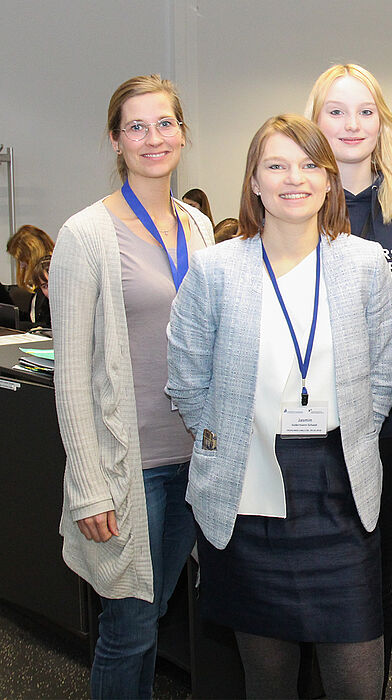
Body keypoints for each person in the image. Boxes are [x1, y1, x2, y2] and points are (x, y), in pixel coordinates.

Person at [166, 114, 392, 699]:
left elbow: (385, 369)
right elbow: (187, 375)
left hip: (339, 488)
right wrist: (223, 436)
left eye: (308, 166)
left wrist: (353, 433)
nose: (292, 179)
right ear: (253, 180)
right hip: (250, 491)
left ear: (329, 181)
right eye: (276, 165)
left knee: (357, 682)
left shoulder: (365, 264)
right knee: (267, 680)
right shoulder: (217, 269)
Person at [50, 74, 213, 699]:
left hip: (193, 459)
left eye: (164, 124)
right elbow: (70, 376)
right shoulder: (84, 234)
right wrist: (88, 485)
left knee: (161, 605)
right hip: (129, 466)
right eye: (136, 127)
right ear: (116, 140)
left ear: (182, 134)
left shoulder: (198, 227)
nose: (153, 138)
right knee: (131, 625)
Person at [305, 62, 392, 686]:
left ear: (382, 121)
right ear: (316, 122)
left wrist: (375, 391)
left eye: (365, 111)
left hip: (390, 429)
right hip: (306, 430)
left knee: (371, 571)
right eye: (336, 111)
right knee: (308, 571)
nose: (352, 124)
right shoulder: (295, 204)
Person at [6, 224, 54, 325]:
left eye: (23, 260)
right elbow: (34, 318)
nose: (22, 266)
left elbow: (45, 325)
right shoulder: (39, 289)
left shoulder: (50, 284)